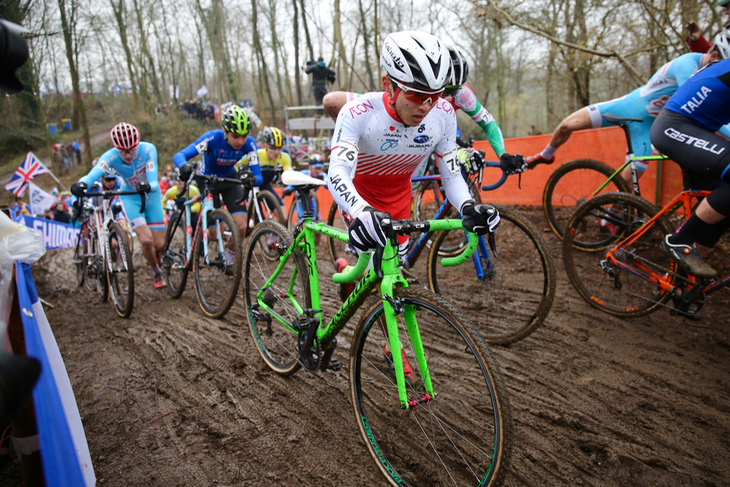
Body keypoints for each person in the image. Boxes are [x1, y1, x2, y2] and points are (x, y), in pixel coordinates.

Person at [328, 31, 501, 383]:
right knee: (384, 267)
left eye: (434, 97)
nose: (425, 106)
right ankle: (395, 348)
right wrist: (361, 212)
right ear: (388, 85)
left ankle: (352, 270)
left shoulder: (442, 115)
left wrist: (468, 206)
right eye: (417, 95)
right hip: (359, 195)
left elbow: (451, 175)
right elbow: (337, 174)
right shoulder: (358, 113)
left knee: (391, 270)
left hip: (398, 199)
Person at [525, 48, 725, 182]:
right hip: (628, 106)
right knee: (567, 125)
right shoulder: (687, 64)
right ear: (713, 55)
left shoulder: (706, 71)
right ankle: (546, 154)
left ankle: (609, 215)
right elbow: (695, 103)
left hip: (649, 125)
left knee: (631, 180)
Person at [651, 38, 730, 278]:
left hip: (696, 131)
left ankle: (683, 283)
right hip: (674, 127)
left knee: (725, 201)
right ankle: (679, 240)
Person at [71, 122, 167, 289]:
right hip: (130, 197)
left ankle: (158, 255)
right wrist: (80, 184)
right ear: (116, 148)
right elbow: (93, 174)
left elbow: (153, 180)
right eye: (123, 151)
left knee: (159, 245)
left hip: (150, 195)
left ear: (137, 145)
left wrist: (148, 185)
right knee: (145, 240)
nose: (128, 155)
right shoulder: (110, 157)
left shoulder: (148, 149)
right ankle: (156, 271)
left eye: (131, 150)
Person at [173, 105, 263, 270]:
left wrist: (251, 179)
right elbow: (180, 155)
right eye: (235, 136)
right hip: (207, 180)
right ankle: (199, 239)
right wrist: (183, 166)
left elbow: (258, 176)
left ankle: (229, 259)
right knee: (215, 234)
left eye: (244, 136)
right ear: (224, 130)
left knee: (242, 226)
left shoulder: (249, 144)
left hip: (229, 179)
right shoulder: (212, 139)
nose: (240, 141)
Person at [237, 126, 291, 204]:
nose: (276, 152)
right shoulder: (257, 154)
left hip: (266, 185)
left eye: (279, 148)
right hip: (251, 186)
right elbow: (236, 163)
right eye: (273, 148)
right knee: (258, 215)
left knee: (283, 214)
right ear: (266, 146)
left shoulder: (285, 158)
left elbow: (289, 174)